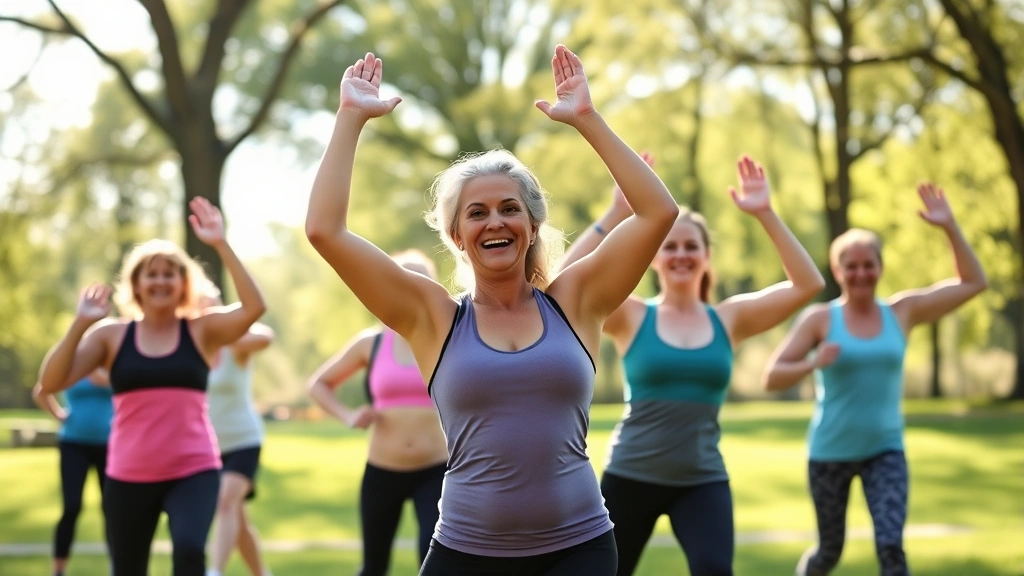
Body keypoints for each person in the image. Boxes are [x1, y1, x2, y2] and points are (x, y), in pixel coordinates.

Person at [305, 46, 678, 575]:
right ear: (457, 236)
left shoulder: (576, 302)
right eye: (476, 213)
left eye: (509, 209)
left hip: (579, 549)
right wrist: (349, 119)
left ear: (532, 225)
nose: (495, 222)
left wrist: (587, 120)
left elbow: (659, 212)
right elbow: (325, 231)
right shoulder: (431, 316)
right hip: (465, 552)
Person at [560, 154, 825, 575]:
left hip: (701, 479)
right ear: (653, 257)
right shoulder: (631, 315)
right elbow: (563, 281)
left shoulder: (729, 319)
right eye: (669, 246)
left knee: (714, 569)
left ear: (706, 257)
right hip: (631, 474)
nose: (680, 254)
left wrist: (765, 213)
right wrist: (614, 214)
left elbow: (808, 284)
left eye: (691, 246)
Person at [762, 183, 987, 576]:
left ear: (880, 267)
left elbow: (973, 283)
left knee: (890, 546)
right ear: (838, 271)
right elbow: (772, 377)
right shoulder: (820, 320)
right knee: (829, 551)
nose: (861, 273)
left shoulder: (902, 312)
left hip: (885, 451)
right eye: (851, 266)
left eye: (869, 265)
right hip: (829, 453)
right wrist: (814, 362)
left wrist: (950, 227)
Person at [38, 197, 266, 576]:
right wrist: (80, 325)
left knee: (190, 554)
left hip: (193, 469)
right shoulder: (111, 336)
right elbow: (51, 381)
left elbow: (254, 308)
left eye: (169, 273)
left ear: (183, 284)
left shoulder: (201, 330)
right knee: (128, 569)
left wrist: (221, 244)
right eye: (151, 274)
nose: (160, 280)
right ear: (136, 285)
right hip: (129, 473)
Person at [308, 250, 448, 576]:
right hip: (382, 472)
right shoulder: (369, 343)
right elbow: (319, 384)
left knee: (434, 563)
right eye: (402, 279)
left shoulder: (446, 336)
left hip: (437, 471)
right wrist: (347, 415)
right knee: (373, 566)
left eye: (419, 280)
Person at [200, 289, 275, 576]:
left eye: (214, 310)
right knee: (237, 520)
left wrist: (227, 333)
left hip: (245, 439)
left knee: (225, 501)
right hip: (209, 445)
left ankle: (214, 571)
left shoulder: (238, 347)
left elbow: (266, 336)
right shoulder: (195, 348)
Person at [33, 366, 114, 576]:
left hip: (109, 444)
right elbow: (42, 391)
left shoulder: (111, 362)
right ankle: (59, 569)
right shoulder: (71, 365)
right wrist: (59, 415)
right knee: (71, 506)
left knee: (112, 509)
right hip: (73, 444)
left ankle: (118, 566)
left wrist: (104, 377)